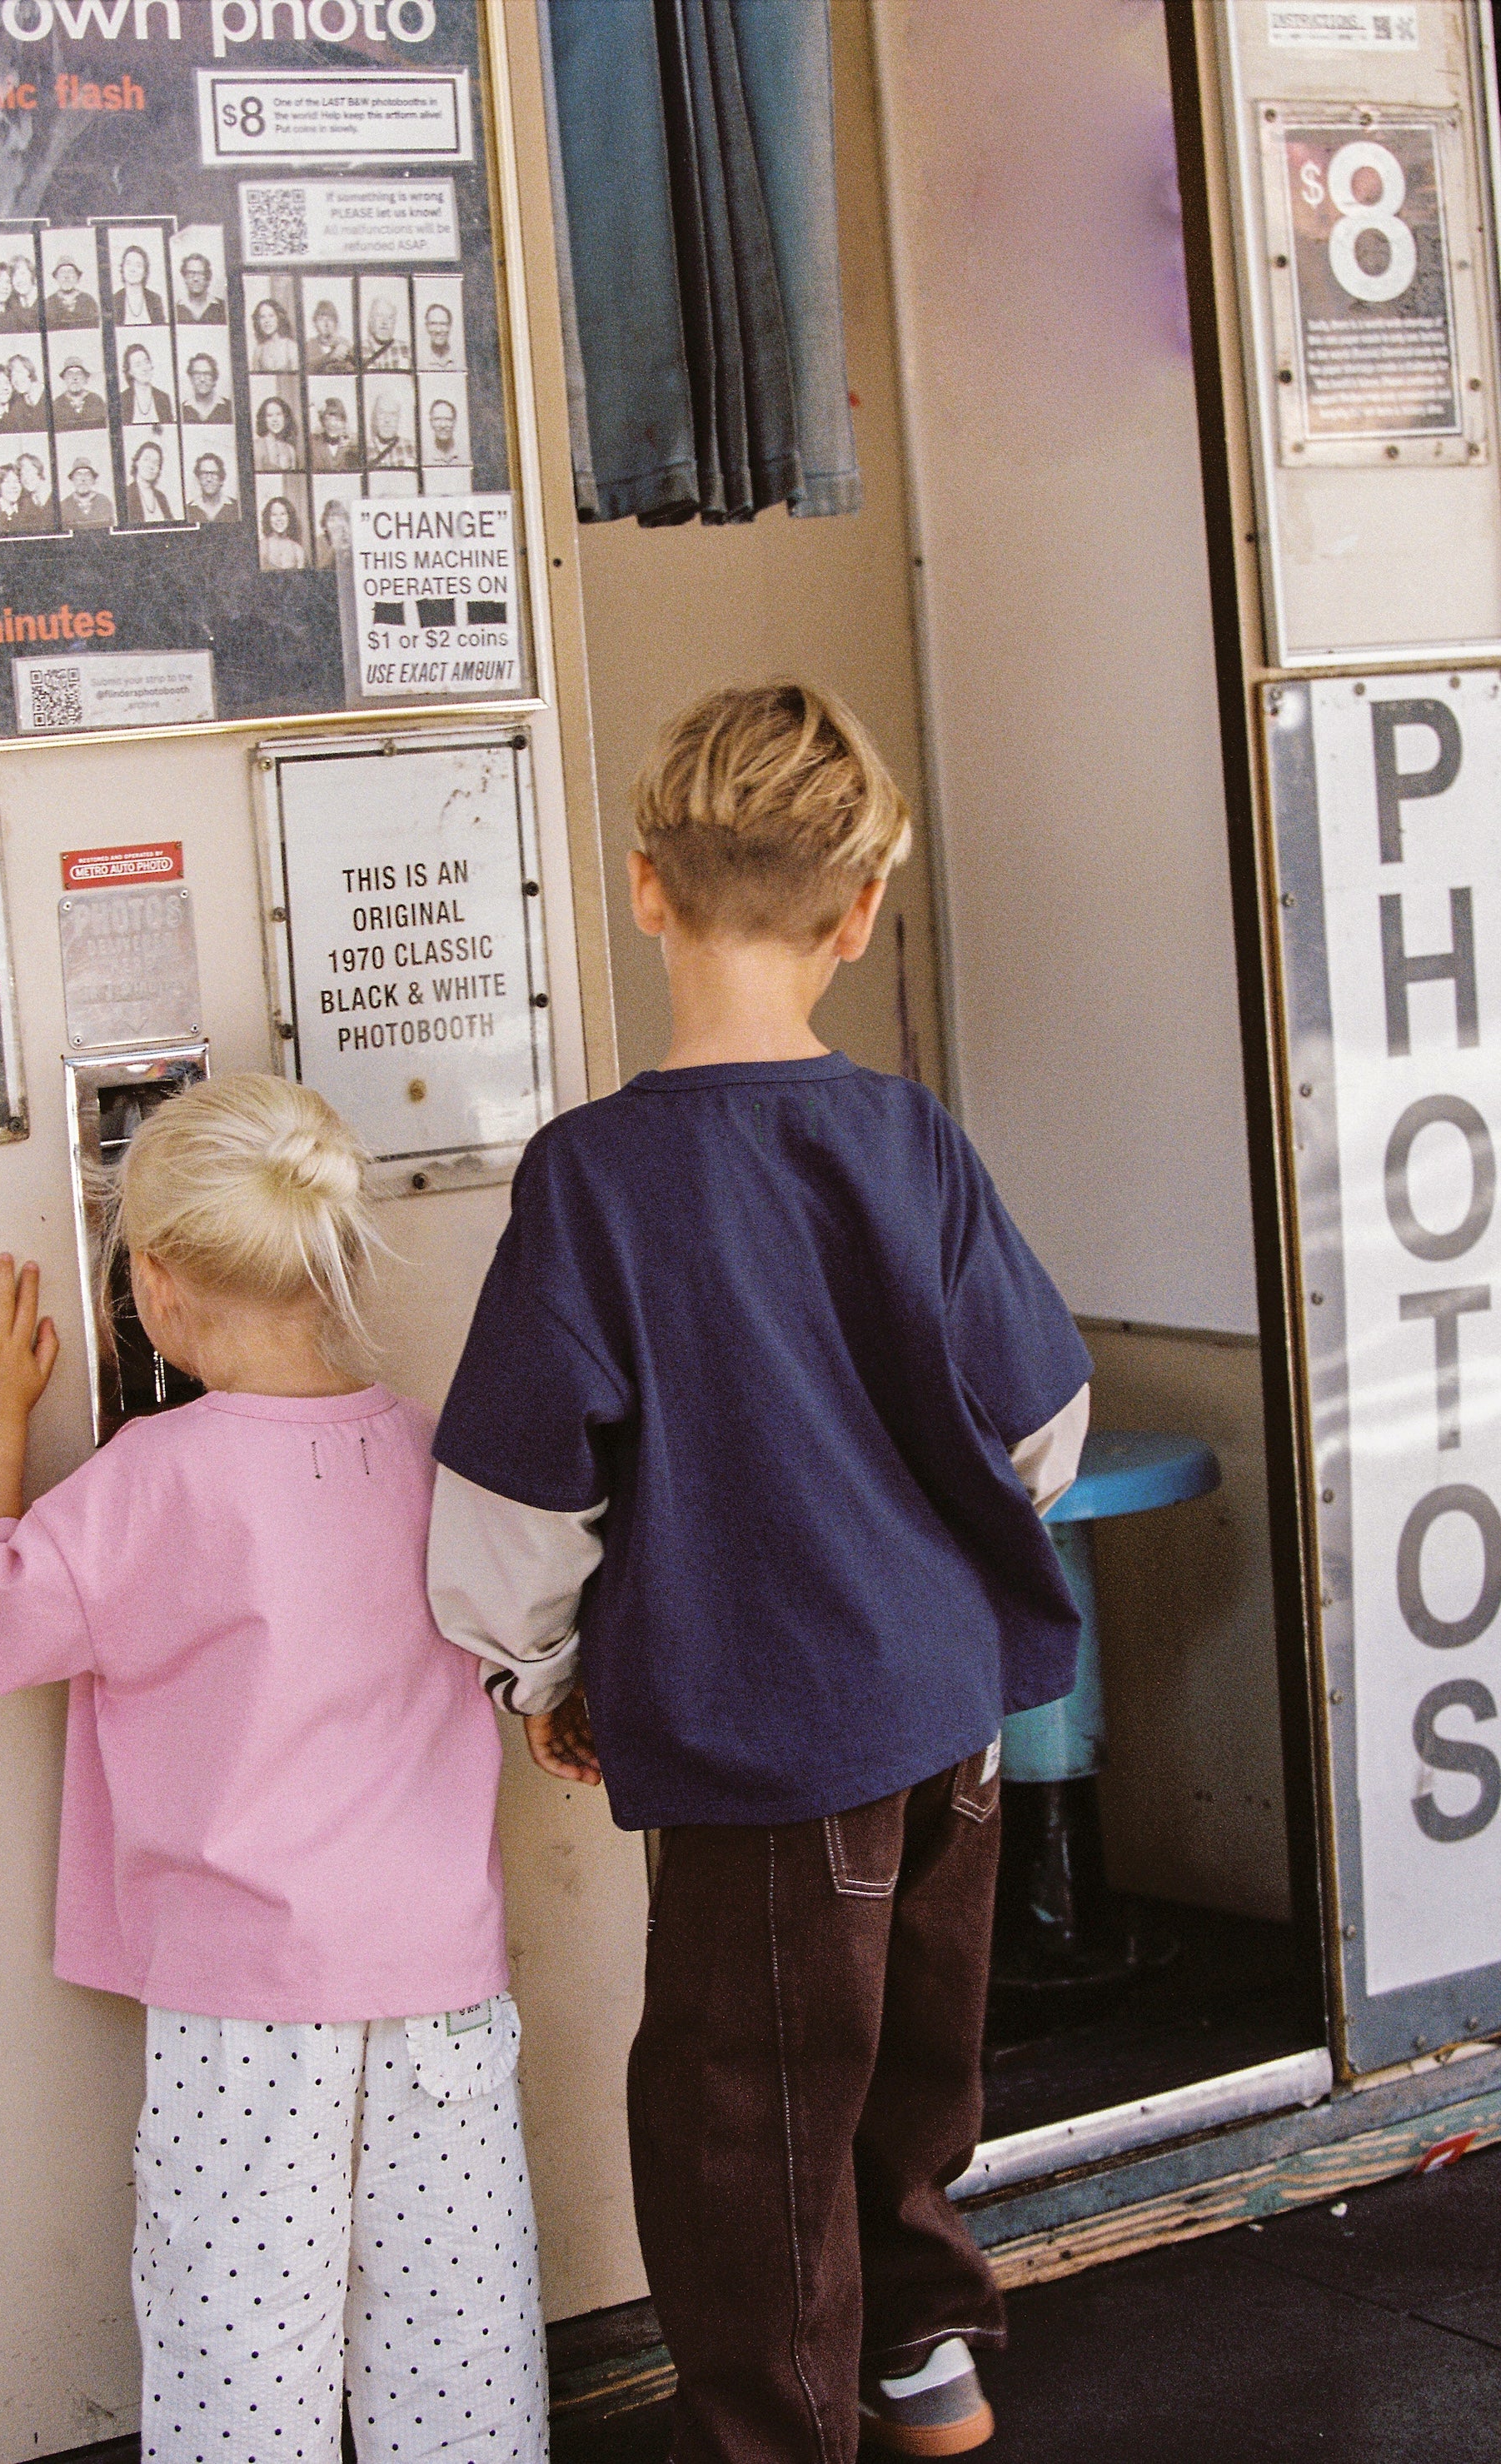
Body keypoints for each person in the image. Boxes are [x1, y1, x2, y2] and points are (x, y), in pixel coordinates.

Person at [426, 684, 1093, 2464]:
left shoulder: (594, 1179)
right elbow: (1042, 1421)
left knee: (747, 2113)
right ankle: (923, 2360)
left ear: (641, 890)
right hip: (946, 1709)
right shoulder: (912, 1140)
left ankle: (772, 2432)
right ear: (858, 913)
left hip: (756, 1735)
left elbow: (509, 1498)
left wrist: (543, 1676)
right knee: (907, 2069)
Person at [0, 1075, 549, 2464]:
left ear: (149, 1281)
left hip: (249, 2005)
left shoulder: (157, 1476)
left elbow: (5, 1613)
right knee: (458, 2343)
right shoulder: (430, 1453)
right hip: (444, 1984)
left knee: (240, 2347)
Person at [118, 343, 173, 428]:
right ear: (130, 371)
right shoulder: (122, 399)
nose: (145, 368)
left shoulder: (163, 397)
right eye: (138, 365)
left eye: (146, 362)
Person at [114, 243, 165, 327]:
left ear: (145, 271)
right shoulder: (114, 300)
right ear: (122, 268)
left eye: (138, 265)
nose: (132, 269)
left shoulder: (155, 299)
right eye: (128, 264)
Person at [127, 436, 173, 526]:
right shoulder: (127, 494)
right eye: (146, 459)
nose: (151, 466)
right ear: (137, 462)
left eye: (156, 462)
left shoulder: (161, 497)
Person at [360, 288, 411, 371]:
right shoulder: (358, 350)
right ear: (371, 320)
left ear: (395, 322)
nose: (384, 322)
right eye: (379, 315)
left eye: (390, 317)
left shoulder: (407, 349)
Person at [52, 355, 107, 430]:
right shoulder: (58, 404)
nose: (75, 378)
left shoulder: (96, 400)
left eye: (79, 373)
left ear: (85, 378)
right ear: (64, 378)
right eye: (70, 374)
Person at [247, 295, 300, 373]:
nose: (267, 321)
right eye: (262, 317)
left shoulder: (291, 346)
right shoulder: (259, 350)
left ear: (279, 318)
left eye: (271, 316)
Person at [366, 389, 416, 470]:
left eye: (393, 414)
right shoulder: (364, 449)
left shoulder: (412, 448)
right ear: (375, 416)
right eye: (382, 413)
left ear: (399, 418)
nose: (387, 420)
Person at [46, 254, 99, 329]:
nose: (66, 276)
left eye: (70, 272)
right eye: (62, 272)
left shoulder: (88, 301)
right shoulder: (49, 303)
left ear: (77, 277)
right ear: (56, 277)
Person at [187, 450, 239, 526]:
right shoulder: (188, 510)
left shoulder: (236, 508)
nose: (209, 479)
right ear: (198, 479)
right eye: (204, 474)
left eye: (214, 474)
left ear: (221, 479)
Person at [174, 248, 225, 325]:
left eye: (200, 273)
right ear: (184, 277)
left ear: (208, 277)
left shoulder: (223, 308)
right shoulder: (175, 310)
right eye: (191, 273)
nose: (196, 279)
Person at [62, 453, 114, 530]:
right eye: (79, 474)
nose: (83, 479)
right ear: (72, 479)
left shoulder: (104, 502)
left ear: (93, 480)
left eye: (87, 474)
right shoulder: (64, 506)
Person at [180, 351, 232, 425]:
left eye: (207, 374)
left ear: (214, 377)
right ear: (191, 378)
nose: (202, 379)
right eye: (197, 374)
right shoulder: (181, 410)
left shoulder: (229, 408)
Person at [311, 394, 359, 472]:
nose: (332, 424)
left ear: (344, 422)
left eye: (337, 420)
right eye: (328, 419)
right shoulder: (314, 442)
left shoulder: (354, 445)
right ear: (322, 422)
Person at [252, 392, 300, 471]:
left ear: (285, 417)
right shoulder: (256, 447)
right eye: (269, 415)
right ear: (263, 419)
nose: (275, 420)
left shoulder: (291, 450)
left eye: (279, 414)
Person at [307, 297, 354, 373]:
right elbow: (306, 367)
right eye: (321, 319)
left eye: (330, 319)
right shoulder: (310, 345)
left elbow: (354, 368)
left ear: (336, 323)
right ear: (315, 323)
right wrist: (330, 357)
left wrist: (349, 354)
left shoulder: (344, 343)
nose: (326, 324)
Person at [259, 491, 305, 569]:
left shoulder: (298, 550)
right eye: (274, 515)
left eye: (283, 514)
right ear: (268, 518)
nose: (279, 519)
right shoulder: (261, 547)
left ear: (289, 517)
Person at [6, 352, 47, 421]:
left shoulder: (52, 397)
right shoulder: (17, 405)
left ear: (30, 371)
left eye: (19, 372)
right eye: (12, 376)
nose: (16, 379)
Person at [315, 494, 352, 568]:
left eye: (341, 519)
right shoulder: (321, 541)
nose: (337, 524)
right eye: (332, 520)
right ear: (325, 524)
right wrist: (335, 545)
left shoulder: (351, 539)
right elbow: (320, 568)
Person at [425, 397, 463, 465]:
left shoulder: (464, 455)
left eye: (448, 419)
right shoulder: (425, 457)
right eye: (437, 419)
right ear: (431, 422)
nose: (443, 425)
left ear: (454, 422)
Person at [421, 298, 456, 366]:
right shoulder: (421, 361)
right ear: (427, 326)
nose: (438, 330)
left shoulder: (459, 359)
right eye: (433, 324)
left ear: (450, 326)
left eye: (443, 324)